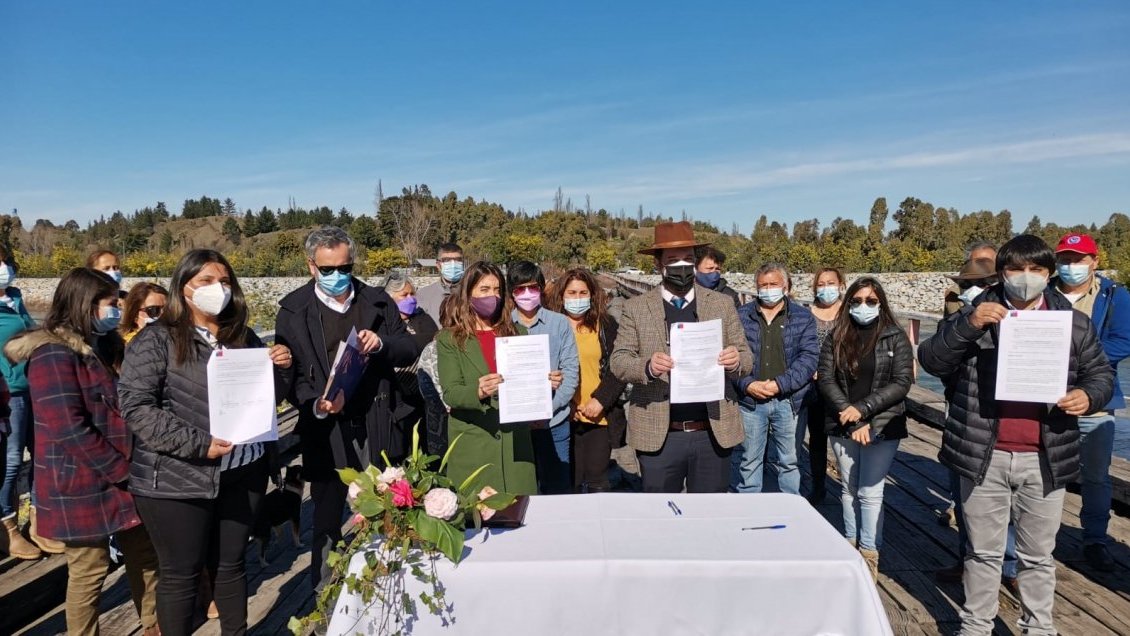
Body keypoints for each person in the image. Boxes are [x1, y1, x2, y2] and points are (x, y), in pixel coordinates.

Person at [918, 234, 1115, 636]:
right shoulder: (975, 314)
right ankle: (976, 625)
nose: (1026, 277)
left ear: (1048, 273)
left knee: (1038, 555)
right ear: (1002, 273)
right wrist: (970, 324)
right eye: (1016, 269)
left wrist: (1087, 395)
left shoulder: (1073, 323)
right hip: (982, 455)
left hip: (1045, 456)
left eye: (1036, 270)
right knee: (982, 553)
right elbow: (931, 359)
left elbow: (1102, 376)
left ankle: (1038, 627)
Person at [119, 249, 294, 636]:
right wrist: (199, 444)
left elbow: (264, 401)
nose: (219, 289)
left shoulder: (242, 336)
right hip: (177, 479)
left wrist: (281, 369)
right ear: (184, 289)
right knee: (180, 574)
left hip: (242, 470)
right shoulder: (155, 340)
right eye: (206, 282)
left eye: (225, 281)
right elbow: (136, 407)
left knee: (231, 565)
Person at [6, 268, 159, 636]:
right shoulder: (52, 355)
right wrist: (121, 469)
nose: (115, 309)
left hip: (120, 474)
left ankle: (155, 625)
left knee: (146, 557)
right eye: (110, 303)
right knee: (90, 570)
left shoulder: (99, 347)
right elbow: (67, 426)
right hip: (81, 481)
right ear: (85, 304)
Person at [273, 227, 418, 593]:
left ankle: (388, 587)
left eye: (344, 267)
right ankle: (325, 598)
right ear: (311, 267)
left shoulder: (378, 300)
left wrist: (382, 342)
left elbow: (407, 348)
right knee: (325, 517)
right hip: (325, 428)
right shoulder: (292, 311)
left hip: (376, 419)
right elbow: (289, 371)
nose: (337, 276)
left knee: (386, 508)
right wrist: (314, 403)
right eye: (327, 269)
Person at [610, 221, 751, 493]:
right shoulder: (635, 308)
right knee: (661, 518)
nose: (682, 266)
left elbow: (746, 357)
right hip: (659, 433)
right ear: (658, 266)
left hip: (712, 431)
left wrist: (736, 360)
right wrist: (648, 367)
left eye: (688, 259)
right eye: (673, 260)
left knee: (710, 517)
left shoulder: (721, 303)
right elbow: (620, 360)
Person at [436, 261, 560, 495]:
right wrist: (478, 391)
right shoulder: (449, 339)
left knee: (521, 514)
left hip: (515, 446)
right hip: (474, 446)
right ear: (468, 293)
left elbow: (526, 384)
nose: (491, 296)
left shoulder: (518, 333)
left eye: (496, 290)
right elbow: (451, 393)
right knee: (476, 521)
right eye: (484, 289)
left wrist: (545, 383)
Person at [817, 276, 913, 579]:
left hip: (883, 422)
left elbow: (902, 382)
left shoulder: (895, 336)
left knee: (871, 490)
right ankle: (850, 541)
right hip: (843, 421)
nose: (863, 306)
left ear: (881, 303)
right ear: (848, 304)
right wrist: (851, 415)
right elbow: (826, 377)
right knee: (849, 488)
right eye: (857, 301)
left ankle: (869, 552)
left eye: (871, 301)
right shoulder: (836, 336)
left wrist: (865, 412)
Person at [936, 258, 1017, 590]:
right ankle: (966, 560)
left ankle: (1010, 568)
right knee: (965, 498)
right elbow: (936, 360)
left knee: (1008, 504)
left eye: (984, 284)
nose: (976, 291)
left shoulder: (1016, 320)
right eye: (969, 284)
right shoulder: (955, 318)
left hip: (1004, 421)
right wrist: (968, 325)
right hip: (964, 417)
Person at [1053, 232, 1130, 572]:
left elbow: (1124, 340)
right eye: (1065, 259)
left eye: (1079, 259)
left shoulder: (1116, 297)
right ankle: (1042, 539)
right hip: (1048, 402)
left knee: (1096, 476)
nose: (1071, 266)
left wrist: (1081, 358)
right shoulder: (1043, 292)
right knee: (1045, 473)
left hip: (1096, 402)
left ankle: (1095, 539)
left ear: (1095, 262)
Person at [731, 263, 818, 495]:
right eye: (763, 285)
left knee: (789, 461)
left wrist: (780, 384)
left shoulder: (803, 317)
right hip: (750, 400)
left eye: (773, 284)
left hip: (788, 401)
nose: (768, 289)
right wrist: (747, 383)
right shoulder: (741, 316)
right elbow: (731, 357)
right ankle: (749, 508)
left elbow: (809, 358)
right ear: (756, 288)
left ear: (786, 286)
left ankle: (790, 509)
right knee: (750, 460)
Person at [545, 267, 627, 493]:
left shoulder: (607, 325)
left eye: (583, 293)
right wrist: (564, 404)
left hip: (598, 415)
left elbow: (618, 368)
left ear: (592, 295)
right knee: (566, 480)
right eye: (572, 293)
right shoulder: (551, 327)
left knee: (597, 479)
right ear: (561, 296)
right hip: (562, 414)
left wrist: (600, 400)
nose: (577, 298)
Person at [508, 261, 579, 495]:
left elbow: (570, 372)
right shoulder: (503, 326)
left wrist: (548, 408)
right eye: (520, 289)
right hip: (515, 427)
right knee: (519, 492)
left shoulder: (559, 324)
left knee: (557, 491)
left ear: (541, 288)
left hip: (555, 423)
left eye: (532, 287)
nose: (527, 294)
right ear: (511, 292)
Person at [0, 244, 45, 559]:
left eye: (5, 261)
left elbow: (32, 332)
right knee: (12, 460)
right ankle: (9, 529)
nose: (4, 267)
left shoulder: (14, 296)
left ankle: (40, 521)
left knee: (41, 451)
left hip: (33, 385)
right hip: (9, 393)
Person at [382, 271, 440, 453]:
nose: (410, 298)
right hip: (396, 395)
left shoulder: (421, 317)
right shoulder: (384, 322)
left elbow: (434, 338)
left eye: (412, 294)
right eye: (404, 295)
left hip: (423, 393)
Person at [803, 267, 845, 504]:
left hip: (842, 386)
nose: (826, 288)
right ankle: (818, 485)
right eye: (821, 283)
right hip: (814, 385)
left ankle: (847, 485)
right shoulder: (806, 313)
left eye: (830, 283)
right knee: (817, 438)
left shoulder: (850, 312)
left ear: (840, 285)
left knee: (843, 437)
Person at [943, 242, 997, 316]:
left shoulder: (1007, 293)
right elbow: (947, 324)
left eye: (987, 262)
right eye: (977, 261)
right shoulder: (953, 295)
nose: (980, 266)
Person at [417, 243, 465, 323]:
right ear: (438, 265)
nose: (453, 264)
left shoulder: (473, 291)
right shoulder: (423, 294)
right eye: (447, 260)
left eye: (457, 260)